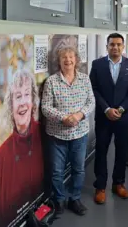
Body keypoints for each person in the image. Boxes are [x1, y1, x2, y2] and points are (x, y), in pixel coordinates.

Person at [0, 69, 44, 227]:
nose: (23, 101)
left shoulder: (45, 134)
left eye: (26, 95)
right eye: (18, 96)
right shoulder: (2, 153)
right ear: (11, 105)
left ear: (33, 101)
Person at [41, 45, 95, 215]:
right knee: (57, 171)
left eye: (71, 57)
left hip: (79, 134)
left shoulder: (85, 80)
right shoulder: (51, 81)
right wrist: (64, 117)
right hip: (57, 135)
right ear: (59, 61)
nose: (68, 60)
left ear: (76, 60)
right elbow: (45, 107)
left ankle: (74, 199)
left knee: (78, 169)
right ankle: (59, 201)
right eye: (64, 57)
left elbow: (91, 102)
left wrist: (79, 115)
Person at [90, 33, 128, 204]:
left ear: (123, 46)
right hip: (103, 116)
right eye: (112, 44)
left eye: (119, 44)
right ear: (107, 46)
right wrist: (106, 109)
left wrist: (120, 109)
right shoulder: (97, 65)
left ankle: (118, 183)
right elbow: (94, 89)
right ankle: (100, 186)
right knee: (101, 150)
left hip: (123, 116)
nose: (115, 47)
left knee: (122, 150)